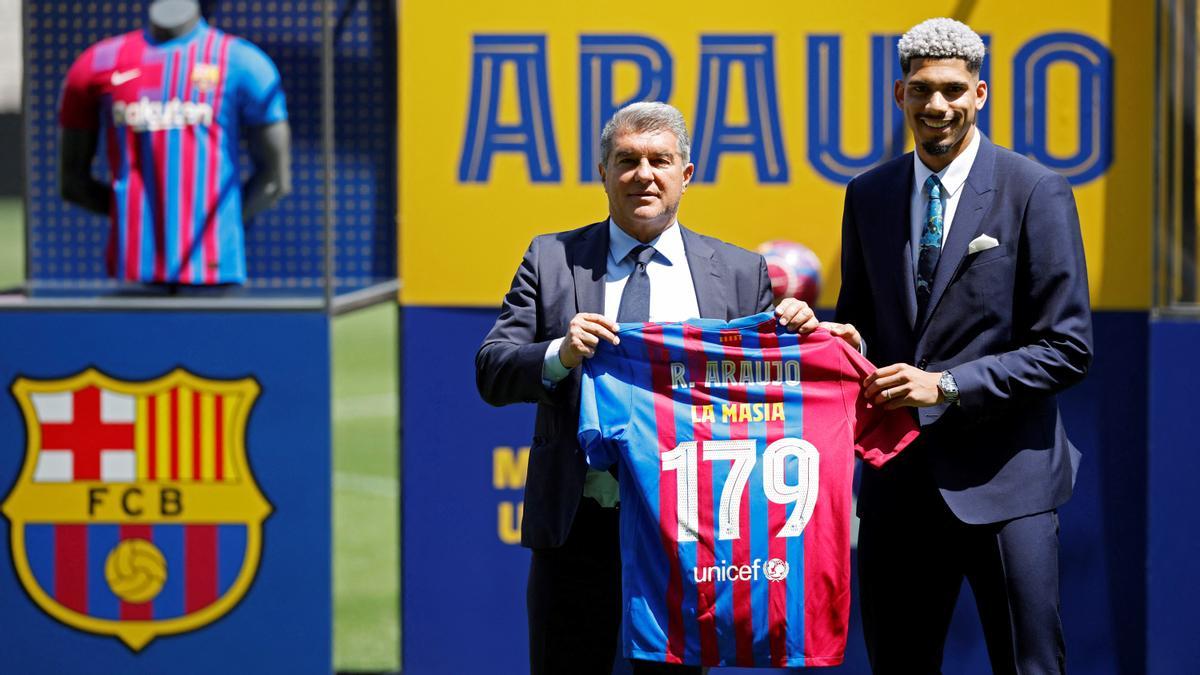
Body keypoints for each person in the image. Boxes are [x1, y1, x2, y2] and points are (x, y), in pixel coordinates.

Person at [475, 101, 817, 675]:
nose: (643, 174)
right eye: (626, 160)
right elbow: (492, 369)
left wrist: (808, 341)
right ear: (603, 173)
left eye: (660, 160)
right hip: (579, 526)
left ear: (686, 174)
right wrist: (560, 353)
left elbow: (765, 404)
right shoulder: (551, 259)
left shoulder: (739, 272)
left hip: (690, 536)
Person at [828, 18, 1093, 674]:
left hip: (1009, 481)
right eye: (921, 90)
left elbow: (1068, 347)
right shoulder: (868, 195)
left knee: (1029, 665)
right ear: (899, 95)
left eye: (952, 89)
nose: (936, 106)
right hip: (897, 482)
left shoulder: (1035, 190)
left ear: (980, 95)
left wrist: (946, 385)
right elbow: (863, 323)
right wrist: (837, 339)